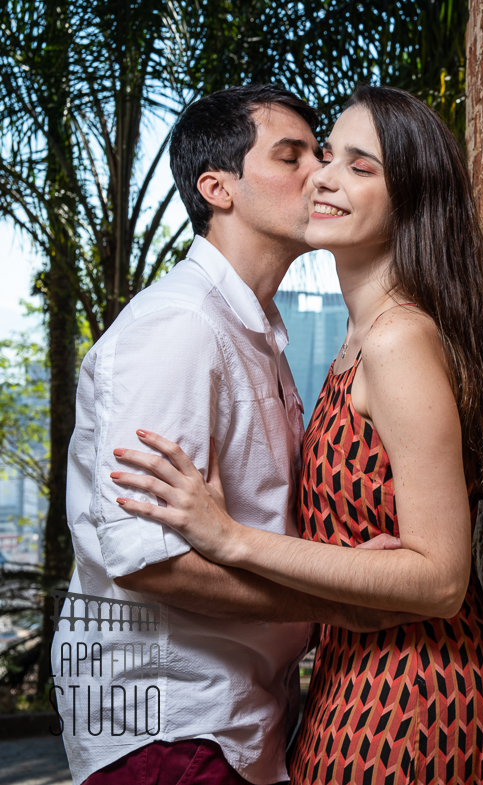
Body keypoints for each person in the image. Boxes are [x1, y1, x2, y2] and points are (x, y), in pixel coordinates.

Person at [112, 87, 483, 784]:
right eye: (323, 157)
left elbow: (441, 577)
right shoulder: (353, 337)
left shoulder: (398, 339)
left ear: (409, 196)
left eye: (359, 166)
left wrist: (231, 537)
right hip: (345, 690)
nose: (323, 176)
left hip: (407, 699)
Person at [59, 85, 410, 785]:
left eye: (323, 153)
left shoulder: (252, 329)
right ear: (217, 187)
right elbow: (150, 558)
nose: (320, 172)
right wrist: (343, 601)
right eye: (292, 157)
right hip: (166, 727)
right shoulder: (181, 327)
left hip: (230, 719)